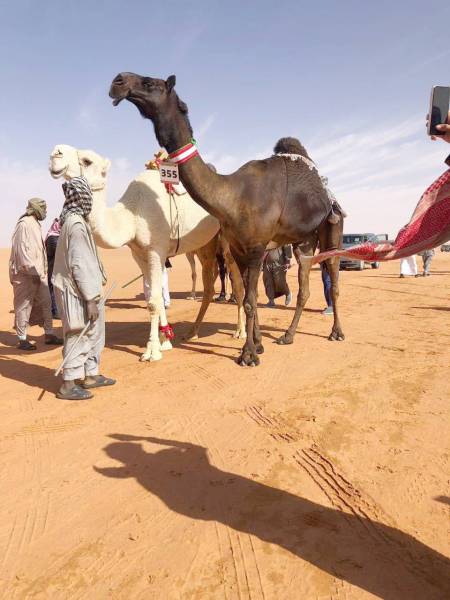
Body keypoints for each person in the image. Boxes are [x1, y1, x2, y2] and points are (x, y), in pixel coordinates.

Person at [52, 176, 115, 400]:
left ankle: (91, 374)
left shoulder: (77, 221)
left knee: (94, 333)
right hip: (77, 291)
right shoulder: (76, 225)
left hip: (86, 288)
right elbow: (78, 263)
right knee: (78, 332)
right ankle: (68, 384)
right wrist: (90, 299)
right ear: (83, 197)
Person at [9, 198, 62, 350]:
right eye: (43, 208)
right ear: (36, 209)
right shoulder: (24, 224)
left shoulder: (35, 224)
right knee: (23, 306)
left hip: (39, 274)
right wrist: (30, 271)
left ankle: (49, 334)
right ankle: (22, 339)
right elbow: (21, 250)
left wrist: (41, 272)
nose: (45, 212)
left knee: (46, 303)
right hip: (25, 274)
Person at [45, 218, 61, 318]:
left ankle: (52, 310)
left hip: (50, 264)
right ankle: (56, 311)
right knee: (57, 284)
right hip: (57, 265)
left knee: (51, 283)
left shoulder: (49, 236)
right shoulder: (57, 239)